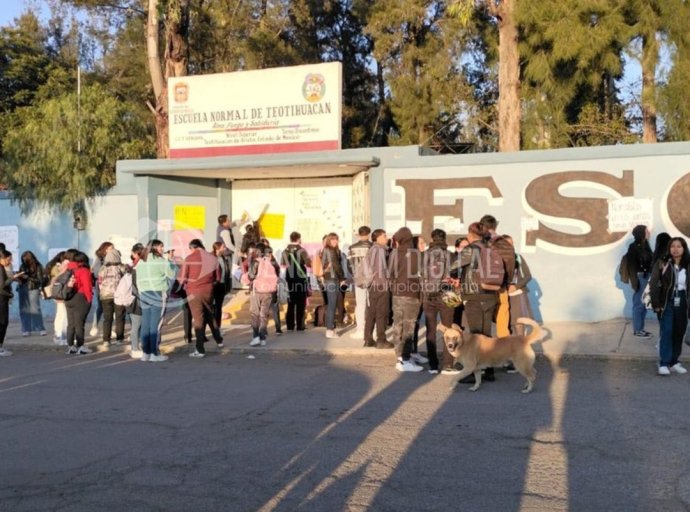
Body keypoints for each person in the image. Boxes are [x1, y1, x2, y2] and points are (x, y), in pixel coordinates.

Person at [458, 222, 500, 382]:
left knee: (475, 336)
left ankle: (472, 372)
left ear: (470, 234)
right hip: (490, 295)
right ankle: (489, 371)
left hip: (474, 296)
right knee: (487, 335)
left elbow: (454, 267)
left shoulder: (471, 249)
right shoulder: (491, 249)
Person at [649, 237, 690, 376]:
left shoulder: (688, 264)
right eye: (673, 246)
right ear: (669, 248)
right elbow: (653, 283)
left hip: (683, 301)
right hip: (667, 301)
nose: (676, 249)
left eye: (679, 246)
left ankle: (674, 361)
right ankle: (664, 363)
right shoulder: (662, 262)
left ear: (684, 248)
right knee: (667, 331)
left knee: (679, 332)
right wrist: (656, 304)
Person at [177, 239, 224, 358]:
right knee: (209, 315)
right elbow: (218, 278)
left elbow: (182, 279)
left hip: (193, 292)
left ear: (193, 247)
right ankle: (219, 340)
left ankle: (200, 349)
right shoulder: (213, 258)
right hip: (208, 291)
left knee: (198, 320)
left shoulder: (189, 258)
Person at [389, 227, 424, 371]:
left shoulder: (394, 253)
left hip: (397, 293)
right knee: (409, 327)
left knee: (398, 325)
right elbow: (422, 275)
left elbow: (390, 273)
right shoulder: (417, 254)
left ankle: (399, 357)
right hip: (412, 294)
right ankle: (406, 359)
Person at [421, 228, 456, 374]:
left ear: (432, 238)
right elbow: (455, 276)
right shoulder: (451, 255)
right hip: (447, 294)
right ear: (445, 238)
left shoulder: (424, 254)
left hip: (429, 295)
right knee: (448, 329)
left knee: (431, 330)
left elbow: (421, 274)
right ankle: (448, 364)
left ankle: (433, 365)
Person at [136, 239, 177, 362]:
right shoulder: (161, 261)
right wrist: (170, 261)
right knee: (156, 325)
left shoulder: (141, 262)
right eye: (161, 247)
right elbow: (172, 274)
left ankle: (146, 353)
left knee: (145, 324)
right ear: (154, 248)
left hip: (143, 294)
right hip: (158, 293)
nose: (163, 249)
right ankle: (155, 353)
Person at [479, 214, 514, 338]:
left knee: (484, 313)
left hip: (483, 285)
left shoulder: (481, 242)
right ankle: (504, 342)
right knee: (503, 309)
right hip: (501, 284)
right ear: (495, 226)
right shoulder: (504, 243)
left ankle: (484, 344)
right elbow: (510, 263)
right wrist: (508, 282)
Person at [362, 229, 394, 349]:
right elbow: (381, 269)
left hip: (372, 286)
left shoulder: (372, 249)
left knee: (371, 313)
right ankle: (381, 340)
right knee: (382, 313)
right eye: (384, 236)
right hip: (380, 286)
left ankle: (368, 339)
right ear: (378, 238)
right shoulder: (380, 250)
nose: (386, 238)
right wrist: (387, 283)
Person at [247, 243, 280, 346]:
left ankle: (256, 336)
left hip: (257, 291)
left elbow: (251, 276)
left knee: (255, 314)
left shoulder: (255, 262)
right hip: (269, 292)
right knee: (263, 315)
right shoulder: (270, 262)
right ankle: (263, 338)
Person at [625, 225, 654, 338]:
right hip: (640, 278)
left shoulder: (646, 245)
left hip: (647, 278)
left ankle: (641, 328)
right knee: (638, 304)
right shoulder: (633, 247)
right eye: (646, 231)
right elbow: (631, 266)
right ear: (641, 233)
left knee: (644, 304)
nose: (648, 233)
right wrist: (634, 282)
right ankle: (637, 330)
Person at [64, 250, 94, 355]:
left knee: (71, 324)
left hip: (68, 298)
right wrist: (89, 300)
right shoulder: (84, 270)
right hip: (80, 298)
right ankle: (81, 346)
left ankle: (70, 346)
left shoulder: (68, 268)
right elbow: (87, 287)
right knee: (79, 324)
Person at [504, 235, 534, 336]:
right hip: (503, 295)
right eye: (508, 244)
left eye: (512, 243)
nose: (511, 246)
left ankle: (521, 348)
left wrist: (516, 287)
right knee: (505, 324)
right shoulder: (496, 259)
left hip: (517, 295)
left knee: (518, 323)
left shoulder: (518, 257)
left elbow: (528, 276)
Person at [281, 231, 311, 332]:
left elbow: (283, 264)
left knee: (291, 302)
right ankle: (300, 325)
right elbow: (308, 263)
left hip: (290, 278)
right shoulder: (302, 250)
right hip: (300, 279)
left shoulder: (285, 251)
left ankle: (290, 325)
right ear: (298, 239)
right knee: (301, 302)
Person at [347, 226, 372, 339]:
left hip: (358, 279)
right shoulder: (372, 247)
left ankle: (360, 329)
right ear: (368, 234)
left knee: (360, 304)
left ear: (359, 234)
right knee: (371, 304)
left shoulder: (352, 248)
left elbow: (348, 265)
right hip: (371, 279)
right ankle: (371, 329)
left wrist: (355, 275)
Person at [98, 249, 127, 345]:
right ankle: (119, 339)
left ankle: (106, 340)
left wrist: (103, 290)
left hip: (105, 296)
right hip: (119, 296)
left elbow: (99, 282)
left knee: (107, 318)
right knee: (119, 317)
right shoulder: (121, 268)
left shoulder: (102, 268)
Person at [16, 250, 48, 336]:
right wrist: (18, 277)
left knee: (35, 308)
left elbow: (41, 280)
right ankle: (26, 329)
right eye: (22, 259)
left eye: (25, 259)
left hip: (33, 288)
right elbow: (21, 278)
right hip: (22, 288)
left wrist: (28, 277)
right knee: (23, 309)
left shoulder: (38, 266)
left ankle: (40, 328)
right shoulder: (22, 266)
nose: (23, 261)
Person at [321, 233, 347, 339]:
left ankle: (330, 329)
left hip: (330, 279)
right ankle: (330, 330)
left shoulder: (326, 250)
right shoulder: (330, 250)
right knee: (332, 305)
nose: (335, 241)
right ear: (328, 241)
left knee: (331, 304)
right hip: (332, 279)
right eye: (332, 240)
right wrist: (342, 278)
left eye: (336, 239)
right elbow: (336, 265)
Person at [89, 242, 114, 337]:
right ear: (104, 249)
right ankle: (94, 326)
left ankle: (109, 329)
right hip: (101, 286)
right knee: (100, 306)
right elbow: (96, 272)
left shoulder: (114, 258)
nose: (111, 250)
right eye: (109, 248)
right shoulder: (100, 259)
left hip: (112, 286)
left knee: (111, 308)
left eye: (112, 248)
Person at [45, 251, 68, 345]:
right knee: (63, 315)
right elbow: (57, 278)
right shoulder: (58, 267)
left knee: (60, 314)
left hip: (56, 292)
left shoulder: (53, 265)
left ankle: (58, 334)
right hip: (60, 292)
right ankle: (60, 335)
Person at [127, 243, 144, 359]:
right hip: (135, 301)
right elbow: (134, 287)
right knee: (136, 325)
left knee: (139, 325)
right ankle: (134, 348)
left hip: (136, 300)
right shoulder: (134, 269)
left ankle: (137, 347)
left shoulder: (133, 268)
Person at [0, 250, 18, 356]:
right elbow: (2, 285)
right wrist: (12, 278)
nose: (10, 261)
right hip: (1, 298)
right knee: (3, 322)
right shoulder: (1, 269)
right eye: (8, 259)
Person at [211, 241, 231, 330]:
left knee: (218, 308)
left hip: (222, 285)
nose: (225, 248)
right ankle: (214, 328)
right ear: (218, 248)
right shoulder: (212, 258)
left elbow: (226, 272)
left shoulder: (223, 257)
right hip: (214, 286)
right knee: (214, 308)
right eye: (223, 247)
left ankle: (217, 328)